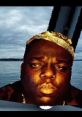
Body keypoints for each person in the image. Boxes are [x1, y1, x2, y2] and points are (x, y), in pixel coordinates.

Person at [0, 31, 82, 108]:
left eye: (61, 67)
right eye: (35, 65)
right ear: (22, 70)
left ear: (70, 74)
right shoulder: (3, 98)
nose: (48, 73)